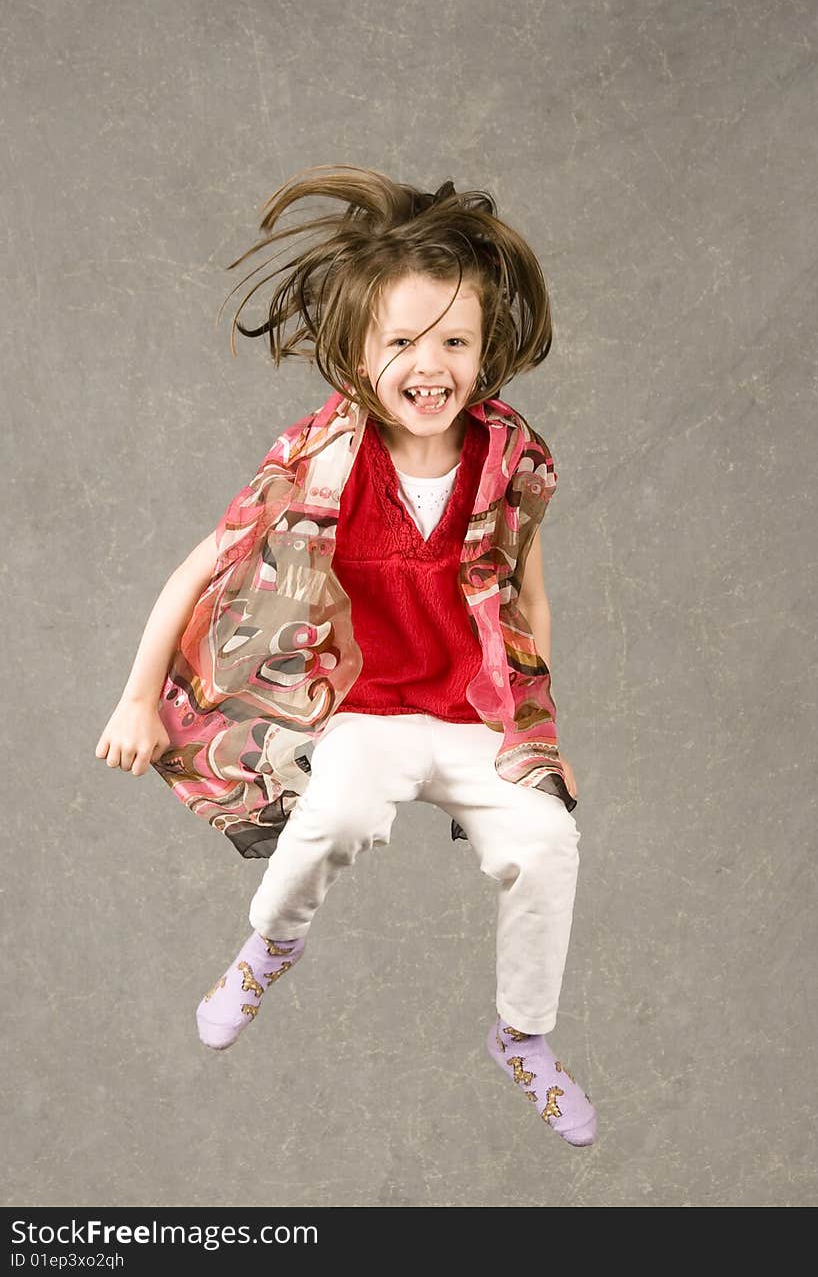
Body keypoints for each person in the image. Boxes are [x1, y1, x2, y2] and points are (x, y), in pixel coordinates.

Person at [95, 164, 597, 1148]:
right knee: (330, 821)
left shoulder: (508, 462)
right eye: (401, 340)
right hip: (364, 710)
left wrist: (539, 737)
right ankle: (267, 947)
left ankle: (523, 1037)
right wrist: (137, 697)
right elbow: (203, 566)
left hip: (473, 715)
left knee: (547, 845)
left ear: (485, 348)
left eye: (453, 339)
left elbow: (527, 592)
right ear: (357, 357)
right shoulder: (319, 461)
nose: (430, 362)